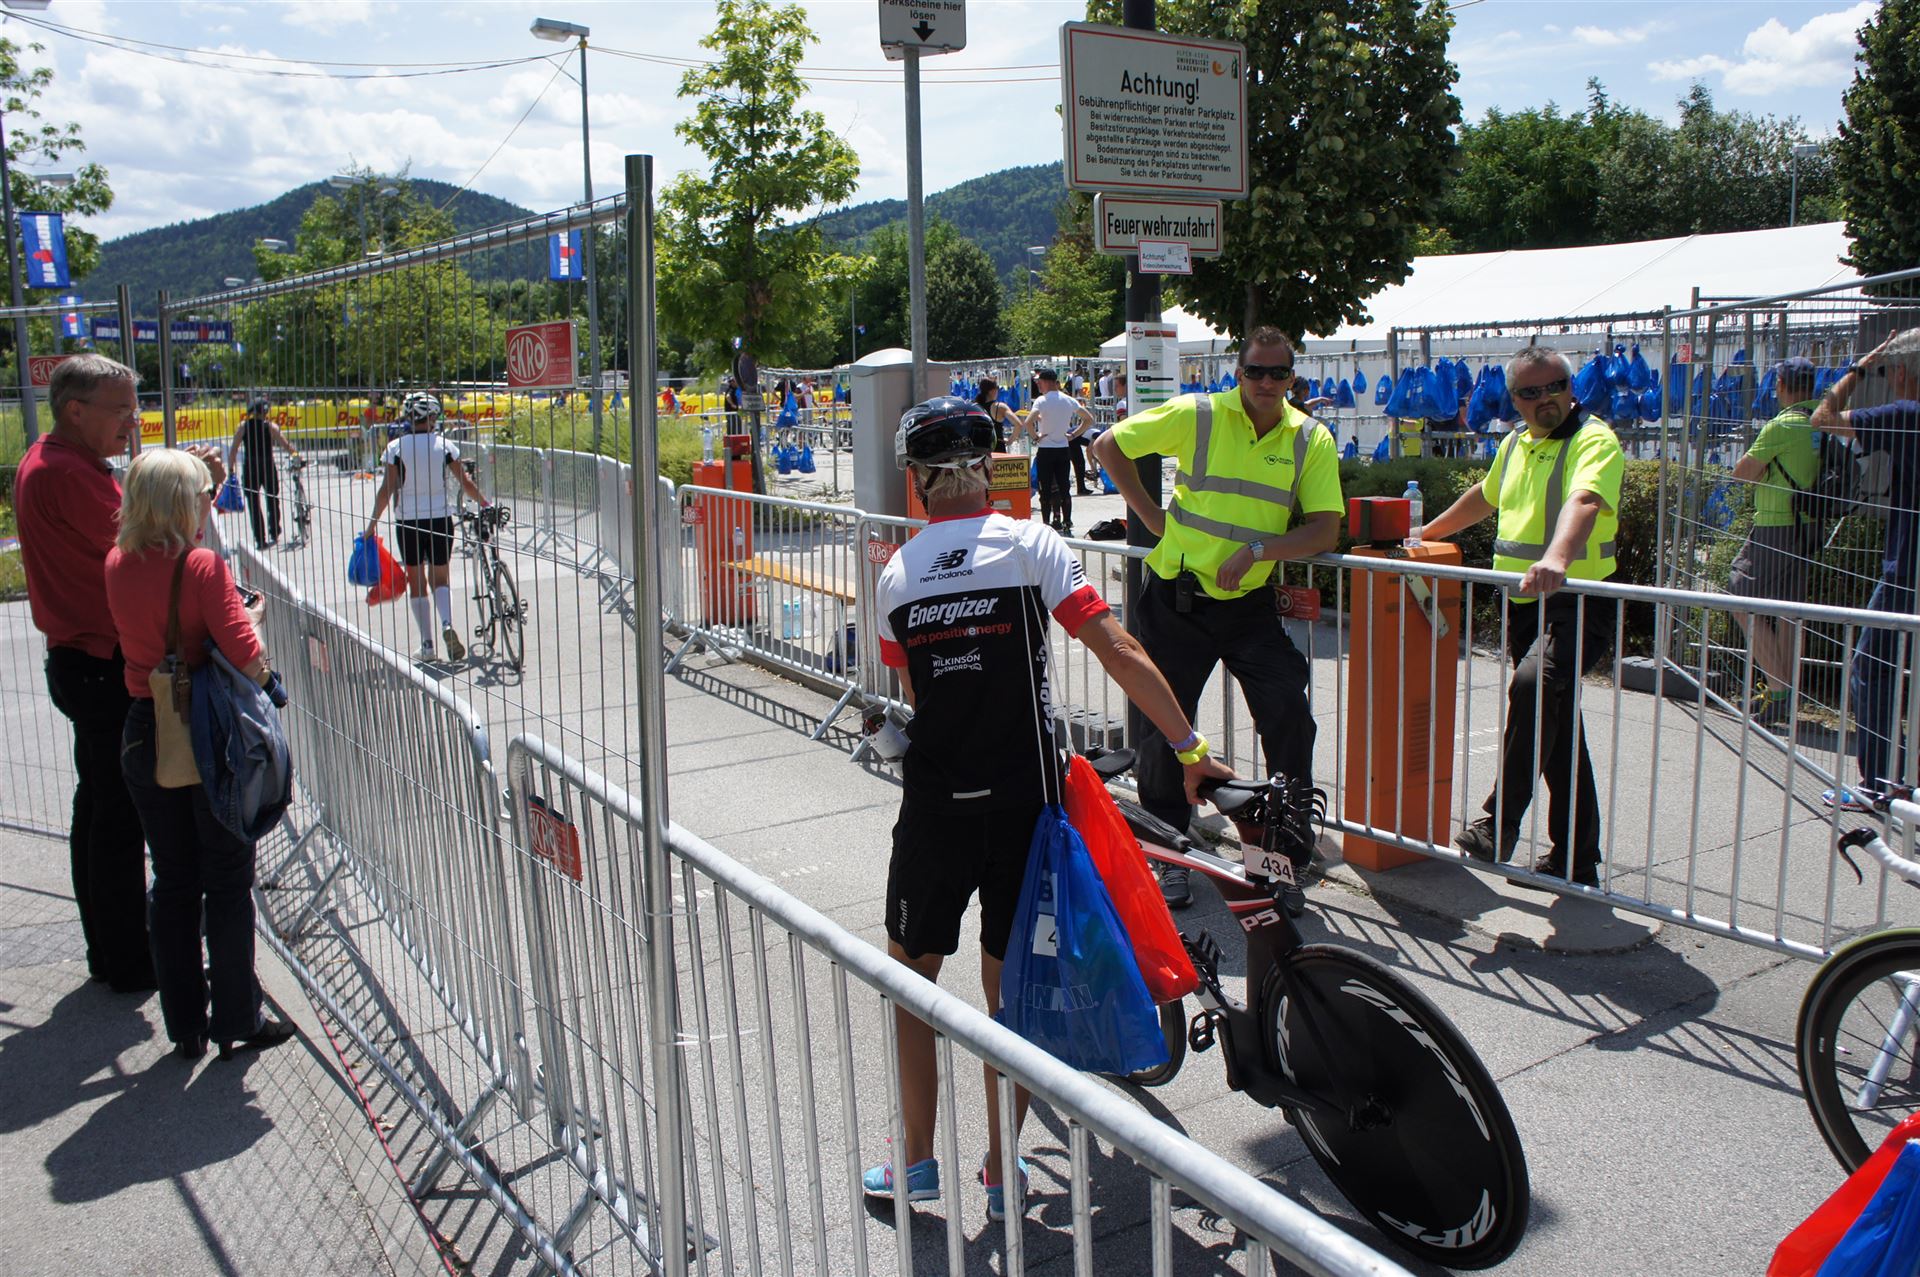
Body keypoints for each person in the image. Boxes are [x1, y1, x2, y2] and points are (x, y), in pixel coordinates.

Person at [862, 396, 1232, 1220]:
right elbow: (1118, 648)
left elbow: (916, 694)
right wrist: (1190, 748)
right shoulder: (1032, 545)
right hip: (1024, 807)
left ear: (917, 478)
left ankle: (915, 1161)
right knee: (1013, 995)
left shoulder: (897, 573)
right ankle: (1003, 1170)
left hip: (936, 808)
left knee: (911, 980)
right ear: (990, 468)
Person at [1092, 327, 1343, 914]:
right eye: (1255, 371)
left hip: (1248, 605)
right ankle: (1168, 856)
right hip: (1175, 600)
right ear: (1238, 373)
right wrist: (1150, 516)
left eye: (1277, 373)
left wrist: (1258, 551)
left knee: (1288, 714)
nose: (1265, 382)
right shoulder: (1199, 414)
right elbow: (1107, 446)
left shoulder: (1310, 437)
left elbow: (1325, 529)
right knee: (1163, 728)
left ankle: (1280, 860)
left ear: (1292, 378)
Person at [103, 448, 297, 1062]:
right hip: (209, 729)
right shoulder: (202, 564)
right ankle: (237, 1015)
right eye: (201, 495)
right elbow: (240, 648)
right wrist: (258, 639)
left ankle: (184, 1022)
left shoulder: (116, 561)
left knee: (173, 879)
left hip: (146, 726)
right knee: (228, 878)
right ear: (180, 503)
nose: (208, 503)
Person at [1420, 345, 1624, 888]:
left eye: (1555, 386)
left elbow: (1584, 500)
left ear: (1571, 388)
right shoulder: (1514, 443)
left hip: (1578, 600)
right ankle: (1576, 859)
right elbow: (1484, 497)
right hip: (1526, 604)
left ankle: (1499, 825)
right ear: (1514, 399)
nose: (1545, 399)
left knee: (1534, 688)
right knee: (1555, 728)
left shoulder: (1594, 439)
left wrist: (1557, 558)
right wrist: (1425, 535)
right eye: (1531, 392)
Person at [16, 354, 180, 992]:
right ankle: (128, 959)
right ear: (75, 410)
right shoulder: (68, 473)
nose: (133, 422)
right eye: (121, 410)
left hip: (83, 659)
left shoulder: (56, 462)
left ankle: (111, 950)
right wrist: (192, 494)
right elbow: (146, 543)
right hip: (100, 664)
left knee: (100, 808)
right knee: (119, 815)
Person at [1809, 328, 1920, 809]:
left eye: (1888, 371)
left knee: (1870, 670)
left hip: (1908, 568)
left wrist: (1856, 370)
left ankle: (1880, 784)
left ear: (1901, 372)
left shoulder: (1906, 415)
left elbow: (1823, 419)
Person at [1727, 357, 1820, 729]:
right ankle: (1786, 693)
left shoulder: (1782, 425)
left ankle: (1779, 689)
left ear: (1780, 384)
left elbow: (1742, 473)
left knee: (1739, 595)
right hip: (1807, 525)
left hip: (1775, 523)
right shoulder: (1820, 420)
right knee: (1787, 611)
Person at [364, 391, 490, 661]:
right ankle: (447, 624)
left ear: (408, 417)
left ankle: (427, 645)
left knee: (417, 582)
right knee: (441, 579)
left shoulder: (395, 448)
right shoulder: (445, 445)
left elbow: (387, 490)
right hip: (440, 518)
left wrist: (372, 524)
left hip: (408, 520)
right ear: (433, 417)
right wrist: (485, 503)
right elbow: (465, 483)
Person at [1020, 367, 1094, 535]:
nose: (1038, 385)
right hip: (1062, 448)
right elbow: (1088, 419)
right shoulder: (1068, 400)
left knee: (1045, 489)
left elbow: (1028, 422)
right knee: (1064, 488)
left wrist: (1036, 437)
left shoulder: (1041, 401)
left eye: (1039, 382)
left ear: (1046, 382)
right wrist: (1073, 435)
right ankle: (1067, 521)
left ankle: (1046, 522)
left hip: (1046, 449)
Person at [226, 396, 301, 551]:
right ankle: (274, 530)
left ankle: (260, 539)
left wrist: (231, 469)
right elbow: (285, 444)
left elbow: (233, 449)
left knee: (253, 503)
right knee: (272, 498)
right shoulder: (270, 426)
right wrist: (296, 456)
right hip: (267, 466)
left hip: (250, 467)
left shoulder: (243, 427)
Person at [973, 376, 1019, 452]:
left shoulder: (975, 407)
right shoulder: (999, 407)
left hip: (980, 448)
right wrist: (1010, 441)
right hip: (997, 447)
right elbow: (1018, 424)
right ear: (992, 391)